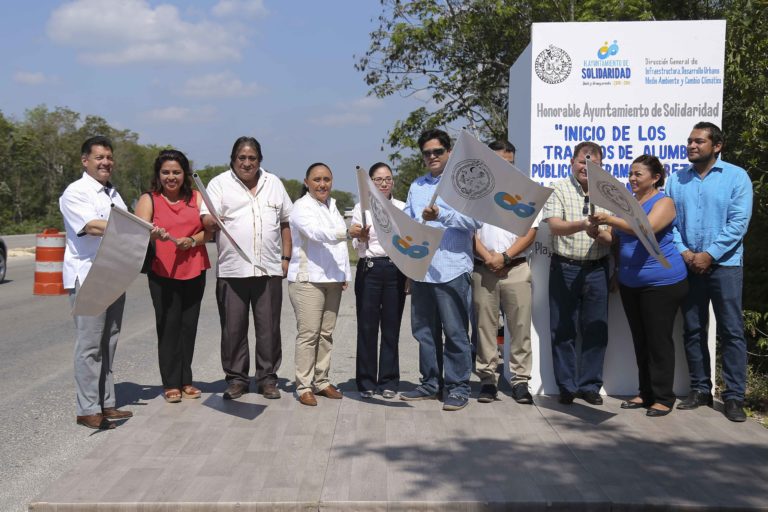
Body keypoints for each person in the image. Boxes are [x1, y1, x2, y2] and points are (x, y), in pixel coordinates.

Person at [666, 122, 753, 422]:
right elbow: (669, 223)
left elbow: (739, 223)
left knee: (731, 331)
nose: (691, 145)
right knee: (692, 329)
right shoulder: (676, 180)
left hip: (725, 266)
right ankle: (701, 389)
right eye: (689, 140)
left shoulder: (736, 177)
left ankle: (733, 397)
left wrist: (709, 254)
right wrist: (687, 254)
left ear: (717, 146)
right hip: (689, 266)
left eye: (699, 141)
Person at [589, 155, 688, 417]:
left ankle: (664, 397)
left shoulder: (664, 202)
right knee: (641, 340)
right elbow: (614, 238)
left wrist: (610, 220)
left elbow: (646, 228)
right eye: (630, 173)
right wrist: (597, 231)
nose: (632, 178)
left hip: (662, 283)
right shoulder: (627, 204)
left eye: (638, 174)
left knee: (659, 341)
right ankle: (645, 392)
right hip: (630, 283)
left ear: (655, 178)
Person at [201, 137, 293, 401]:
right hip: (232, 270)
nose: (247, 162)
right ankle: (237, 379)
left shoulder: (273, 183)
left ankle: (267, 379)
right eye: (241, 157)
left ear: (260, 160)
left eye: (252, 158)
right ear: (233, 159)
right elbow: (207, 220)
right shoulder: (219, 184)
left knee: (269, 328)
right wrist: (209, 220)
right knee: (233, 329)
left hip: (269, 270)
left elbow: (286, 221)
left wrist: (285, 258)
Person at [400, 129, 481, 411]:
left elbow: (475, 221)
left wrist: (442, 215)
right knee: (424, 331)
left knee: (456, 331)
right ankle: (431, 383)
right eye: (427, 153)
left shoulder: (463, 184)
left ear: (448, 152)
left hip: (452, 269)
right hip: (423, 269)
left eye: (437, 151)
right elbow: (410, 225)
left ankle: (458, 387)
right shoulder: (416, 186)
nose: (432, 156)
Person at [59, 136, 135, 429]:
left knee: (109, 342)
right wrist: (136, 226)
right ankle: (87, 408)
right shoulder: (75, 192)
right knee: (89, 344)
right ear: (85, 161)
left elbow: (127, 225)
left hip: (113, 275)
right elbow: (91, 226)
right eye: (99, 157)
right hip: (87, 275)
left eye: (109, 157)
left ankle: (106, 403)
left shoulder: (112, 194)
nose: (106, 162)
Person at [135, 149, 211, 403]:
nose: (171, 177)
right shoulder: (150, 199)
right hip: (162, 271)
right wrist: (152, 233)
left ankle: (186, 380)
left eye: (176, 172)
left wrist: (191, 240)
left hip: (194, 268)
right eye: (166, 172)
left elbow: (208, 233)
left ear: (184, 174)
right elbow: (138, 231)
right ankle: (170, 383)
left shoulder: (197, 198)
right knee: (169, 326)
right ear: (158, 174)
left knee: (189, 327)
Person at [542, 141, 612, 405]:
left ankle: (590, 385)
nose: (587, 167)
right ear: (572, 162)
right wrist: (583, 225)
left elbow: (611, 236)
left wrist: (602, 234)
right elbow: (555, 227)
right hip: (565, 267)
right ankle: (567, 386)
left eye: (594, 163)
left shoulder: (608, 192)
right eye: (584, 161)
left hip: (598, 269)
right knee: (563, 329)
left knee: (596, 329)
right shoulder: (558, 189)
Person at [472, 140, 536, 404]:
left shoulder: (526, 190)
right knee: (484, 328)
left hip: (516, 268)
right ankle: (488, 380)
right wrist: (489, 257)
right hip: (484, 268)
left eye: (509, 163)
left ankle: (520, 382)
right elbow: (468, 230)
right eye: (499, 162)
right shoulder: (475, 192)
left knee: (519, 328)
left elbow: (532, 231)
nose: (504, 168)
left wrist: (506, 257)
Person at [288, 163, 351, 406]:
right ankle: (304, 386)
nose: (322, 184)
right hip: (308, 280)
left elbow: (339, 247)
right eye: (316, 179)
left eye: (326, 179)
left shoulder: (332, 206)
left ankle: (322, 381)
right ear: (307, 182)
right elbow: (316, 233)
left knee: (326, 334)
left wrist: (343, 273)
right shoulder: (301, 207)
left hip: (331, 280)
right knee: (309, 335)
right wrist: (346, 232)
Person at [348, 162, 407, 399]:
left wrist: (409, 276)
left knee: (391, 328)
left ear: (393, 181)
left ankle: (389, 380)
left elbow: (408, 243)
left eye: (388, 179)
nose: (384, 183)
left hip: (395, 271)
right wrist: (358, 234)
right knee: (367, 327)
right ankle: (366, 381)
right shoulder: (361, 207)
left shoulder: (403, 207)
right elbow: (357, 244)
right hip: (370, 270)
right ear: (370, 183)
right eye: (378, 179)